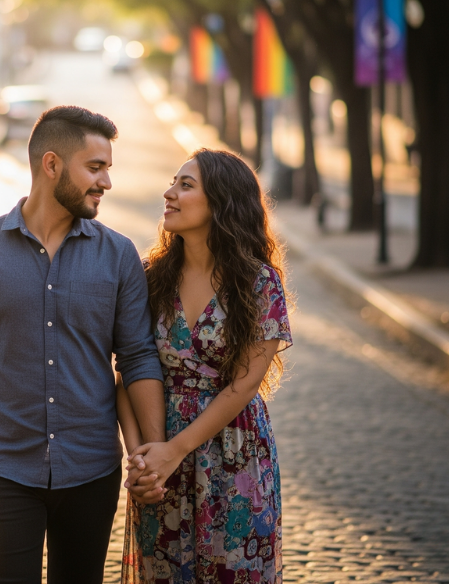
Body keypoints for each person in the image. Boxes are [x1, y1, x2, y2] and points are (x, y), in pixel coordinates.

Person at [0, 105, 166, 584]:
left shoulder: (118, 256)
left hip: (92, 468)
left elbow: (138, 356)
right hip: (3, 467)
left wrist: (155, 451)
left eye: (108, 170)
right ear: (51, 165)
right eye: (95, 168)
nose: (106, 183)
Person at [117, 148, 292, 584]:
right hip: (159, 453)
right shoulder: (150, 277)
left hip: (234, 454)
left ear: (222, 201)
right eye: (173, 183)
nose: (169, 193)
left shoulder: (259, 283)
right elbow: (129, 370)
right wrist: (141, 461)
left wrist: (174, 452)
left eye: (185, 185)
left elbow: (243, 387)